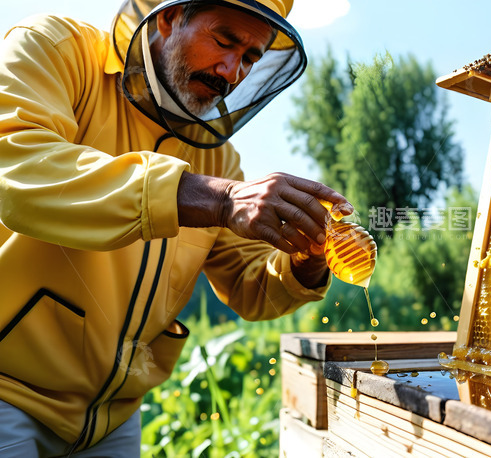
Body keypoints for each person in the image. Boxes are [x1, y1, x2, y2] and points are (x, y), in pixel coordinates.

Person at [0, 0, 351, 455]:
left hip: (114, 418)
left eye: (249, 58)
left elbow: (248, 283)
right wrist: (218, 199)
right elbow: (20, 171)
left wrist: (305, 258)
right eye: (224, 41)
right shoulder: (55, 49)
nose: (231, 71)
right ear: (168, 17)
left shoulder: (217, 158)